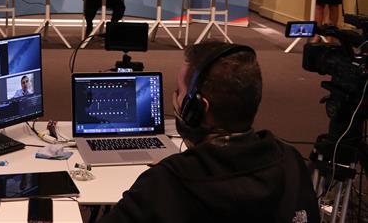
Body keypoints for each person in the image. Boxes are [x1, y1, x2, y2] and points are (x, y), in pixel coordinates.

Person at [98, 41, 319, 223]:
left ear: (197, 109)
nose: (175, 98)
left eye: (180, 92)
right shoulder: (291, 163)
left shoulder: (165, 183)